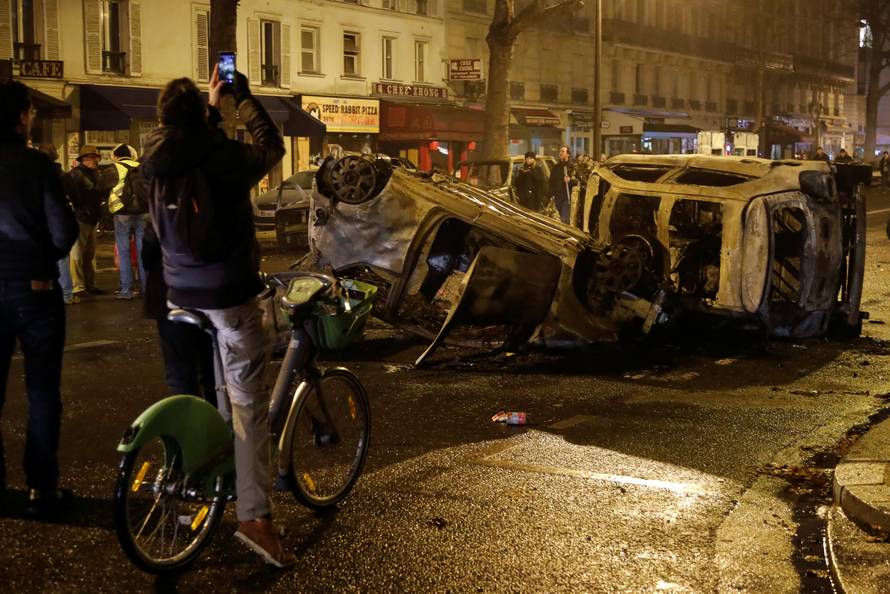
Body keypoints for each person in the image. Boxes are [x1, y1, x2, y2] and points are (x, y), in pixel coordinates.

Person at [140, 66, 292, 567]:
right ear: (203, 118)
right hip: (228, 295)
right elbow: (272, 146)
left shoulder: (154, 157)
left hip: (178, 294)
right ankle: (254, 516)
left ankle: (201, 478)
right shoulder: (224, 157)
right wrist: (240, 98)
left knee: (202, 387)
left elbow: (189, 142)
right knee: (249, 409)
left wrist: (207, 106)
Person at [0, 81, 79, 515]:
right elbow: (64, 231)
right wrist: (40, 262)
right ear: (21, 117)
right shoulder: (36, 166)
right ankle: (40, 487)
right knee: (42, 390)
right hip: (34, 289)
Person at [141, 225, 216, 404]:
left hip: (170, 293)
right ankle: (219, 424)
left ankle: (192, 425)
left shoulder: (166, 200)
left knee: (181, 373)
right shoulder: (217, 200)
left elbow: (148, 250)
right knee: (213, 369)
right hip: (211, 292)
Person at [64, 144, 109, 295]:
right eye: (92, 156)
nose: (95, 159)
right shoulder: (76, 174)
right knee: (77, 255)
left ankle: (89, 285)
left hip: (91, 218)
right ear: (84, 159)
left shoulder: (95, 173)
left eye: (96, 156)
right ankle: (78, 286)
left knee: (90, 255)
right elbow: (71, 195)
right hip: (81, 218)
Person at [38, 143, 77, 305]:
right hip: (56, 222)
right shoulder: (60, 175)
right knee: (61, 259)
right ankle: (66, 294)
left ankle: (48, 293)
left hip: (41, 223)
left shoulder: (33, 174)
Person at [109, 143, 148, 300]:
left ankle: (126, 290)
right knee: (142, 252)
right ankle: (147, 289)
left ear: (116, 156)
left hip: (122, 214)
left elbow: (100, 188)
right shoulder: (141, 167)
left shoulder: (113, 169)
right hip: (144, 213)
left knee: (124, 252)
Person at [548, 145, 576, 224]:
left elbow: (579, 182)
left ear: (568, 154)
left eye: (563, 151)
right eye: (560, 151)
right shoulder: (556, 167)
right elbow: (551, 182)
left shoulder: (572, 167)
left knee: (564, 219)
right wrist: (551, 194)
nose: (560, 153)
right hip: (557, 197)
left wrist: (570, 181)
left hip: (567, 197)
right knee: (557, 219)